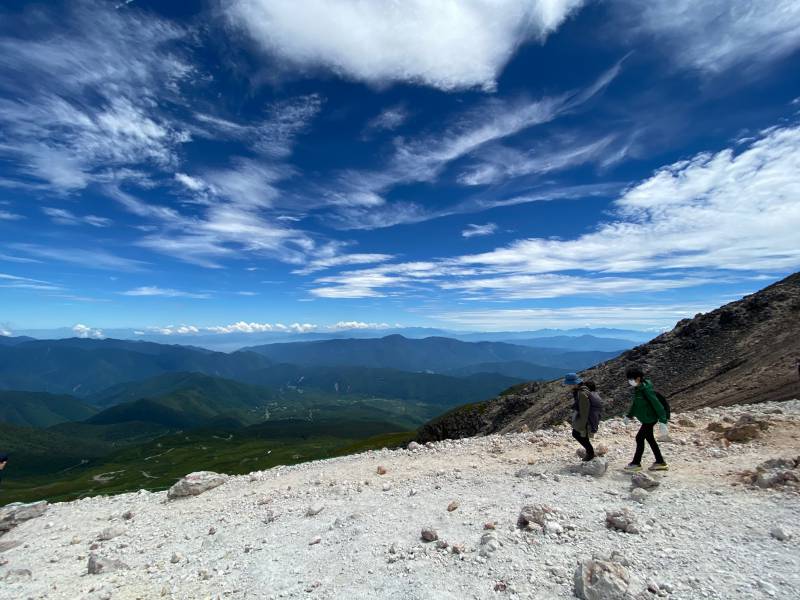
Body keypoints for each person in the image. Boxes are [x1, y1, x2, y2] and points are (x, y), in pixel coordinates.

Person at [623, 367, 668, 472]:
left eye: (631, 379)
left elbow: (657, 405)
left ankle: (636, 463)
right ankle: (660, 462)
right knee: (650, 439)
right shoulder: (638, 389)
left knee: (639, 438)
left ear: (638, 378)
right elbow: (636, 404)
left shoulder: (646, 390)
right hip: (646, 419)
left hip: (650, 419)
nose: (629, 381)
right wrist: (629, 415)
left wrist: (663, 421)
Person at [564, 373, 595, 461]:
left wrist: (582, 426)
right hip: (585, 418)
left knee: (576, 434)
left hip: (585, 419)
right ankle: (590, 453)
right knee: (582, 436)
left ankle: (590, 453)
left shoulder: (581, 393)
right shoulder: (580, 390)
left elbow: (584, 411)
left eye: (568, 384)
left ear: (573, 384)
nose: (567, 386)